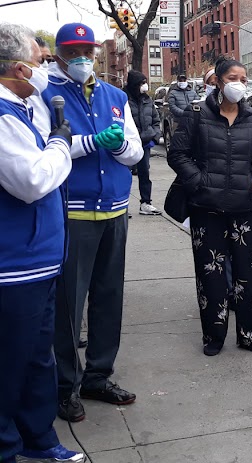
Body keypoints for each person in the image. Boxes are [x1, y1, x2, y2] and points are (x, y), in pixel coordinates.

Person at [38, 23, 143, 424]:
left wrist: (116, 144)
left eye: (88, 49)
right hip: (73, 213)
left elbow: (134, 152)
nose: (82, 57)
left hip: (114, 209)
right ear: (61, 52)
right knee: (69, 306)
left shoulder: (114, 95)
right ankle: (66, 386)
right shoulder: (45, 93)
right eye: (74, 50)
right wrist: (89, 143)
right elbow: (47, 149)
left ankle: (98, 375)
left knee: (108, 297)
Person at [0, 22, 86, 463]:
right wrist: (59, 143)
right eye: (40, 60)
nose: (45, 67)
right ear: (17, 68)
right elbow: (32, 180)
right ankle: (7, 448)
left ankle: (39, 440)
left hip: (42, 259)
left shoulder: (21, 106)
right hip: (14, 265)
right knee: (10, 365)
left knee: (38, 360)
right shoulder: (1, 116)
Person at [168, 57, 252, 356]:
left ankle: (250, 334)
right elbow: (178, 154)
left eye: (244, 79)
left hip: (244, 209)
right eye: (233, 78)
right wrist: (199, 182)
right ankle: (214, 336)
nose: (239, 84)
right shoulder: (196, 113)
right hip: (206, 208)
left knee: (248, 275)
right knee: (210, 276)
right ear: (219, 81)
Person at [123, 70, 162, 215]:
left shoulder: (147, 100)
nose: (144, 86)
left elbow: (156, 120)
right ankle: (123, 206)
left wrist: (154, 137)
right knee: (125, 175)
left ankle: (146, 203)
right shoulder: (123, 99)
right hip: (128, 144)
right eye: (142, 83)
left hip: (145, 144)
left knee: (144, 174)